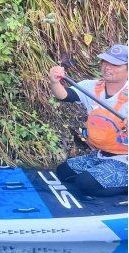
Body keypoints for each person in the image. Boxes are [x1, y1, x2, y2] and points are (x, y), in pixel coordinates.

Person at [47, 44, 128, 197]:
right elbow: (64, 95)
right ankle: (102, 174)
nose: (107, 67)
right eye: (105, 62)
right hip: (100, 154)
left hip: (125, 160)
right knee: (63, 172)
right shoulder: (91, 86)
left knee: (85, 183)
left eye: (115, 64)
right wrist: (54, 82)